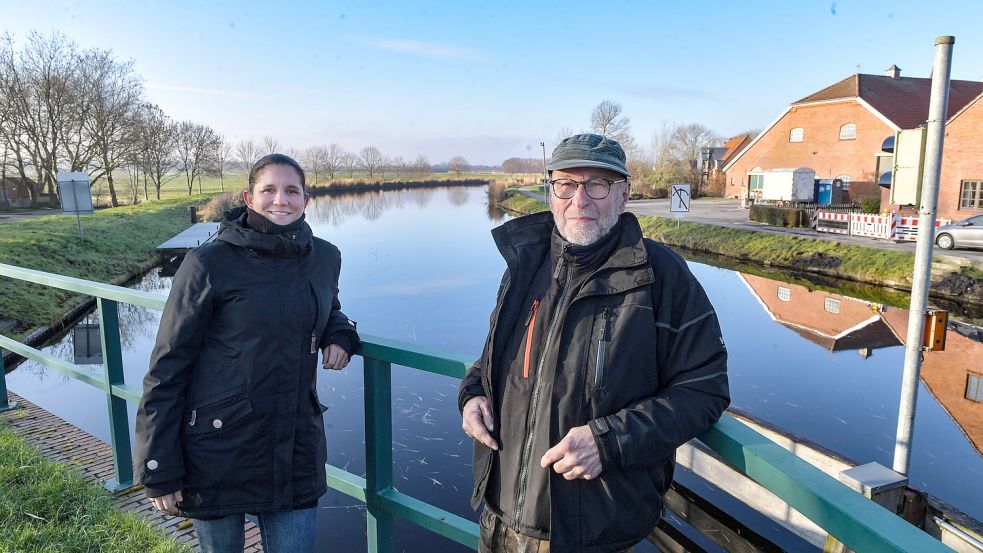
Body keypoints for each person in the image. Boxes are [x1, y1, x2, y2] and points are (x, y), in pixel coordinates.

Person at [459, 134, 729, 552]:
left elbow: (704, 390)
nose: (579, 200)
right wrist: (474, 392)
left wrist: (609, 441)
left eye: (597, 185)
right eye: (566, 184)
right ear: (551, 192)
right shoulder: (525, 264)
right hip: (499, 521)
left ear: (623, 195)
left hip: (591, 535)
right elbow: (497, 356)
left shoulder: (661, 279)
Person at [134, 153, 360, 553]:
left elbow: (329, 308)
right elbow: (168, 366)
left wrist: (341, 334)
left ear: (306, 199)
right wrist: (158, 466)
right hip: (218, 449)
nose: (281, 200)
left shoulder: (325, 257)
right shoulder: (208, 262)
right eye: (269, 190)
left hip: (296, 446)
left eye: (292, 191)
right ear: (249, 198)